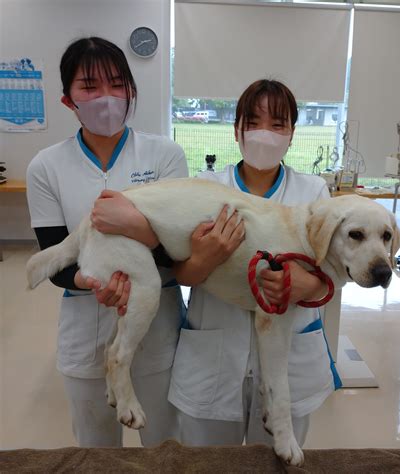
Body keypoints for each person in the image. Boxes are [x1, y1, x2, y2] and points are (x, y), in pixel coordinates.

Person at [92, 79, 341, 446]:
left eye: (277, 125)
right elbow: (183, 274)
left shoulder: (313, 192)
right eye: (253, 123)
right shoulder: (206, 188)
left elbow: (333, 271)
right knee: (206, 461)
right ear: (236, 130)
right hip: (213, 357)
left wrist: (310, 286)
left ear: (292, 133)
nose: (264, 135)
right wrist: (207, 258)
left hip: (291, 358)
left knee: (273, 461)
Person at [26, 37, 188, 447]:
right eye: (90, 87)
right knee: (96, 451)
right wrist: (90, 283)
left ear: (132, 91)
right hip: (84, 322)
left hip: (156, 323)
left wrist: (135, 228)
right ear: (68, 100)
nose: (107, 98)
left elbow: (177, 251)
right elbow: (57, 258)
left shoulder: (164, 155)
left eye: (118, 85)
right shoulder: (46, 166)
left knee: (165, 444)